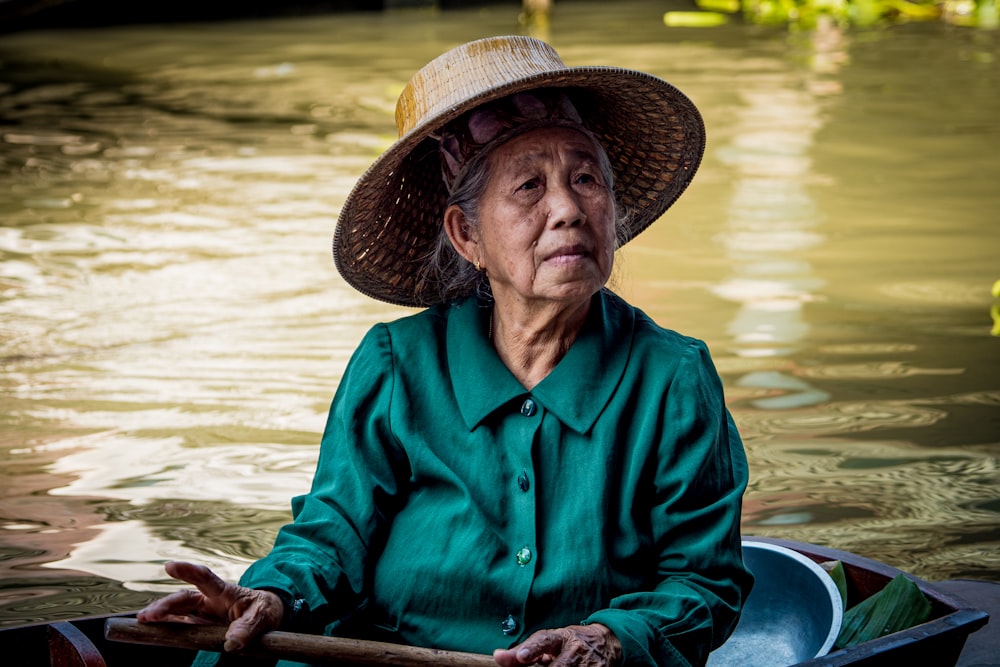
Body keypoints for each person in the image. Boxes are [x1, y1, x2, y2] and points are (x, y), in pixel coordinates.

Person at [138, 35, 753, 667]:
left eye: (586, 178)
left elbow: (703, 584)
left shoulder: (672, 377)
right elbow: (332, 535)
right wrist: (271, 594)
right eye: (528, 187)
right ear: (468, 235)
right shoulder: (395, 364)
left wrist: (605, 638)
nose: (568, 209)